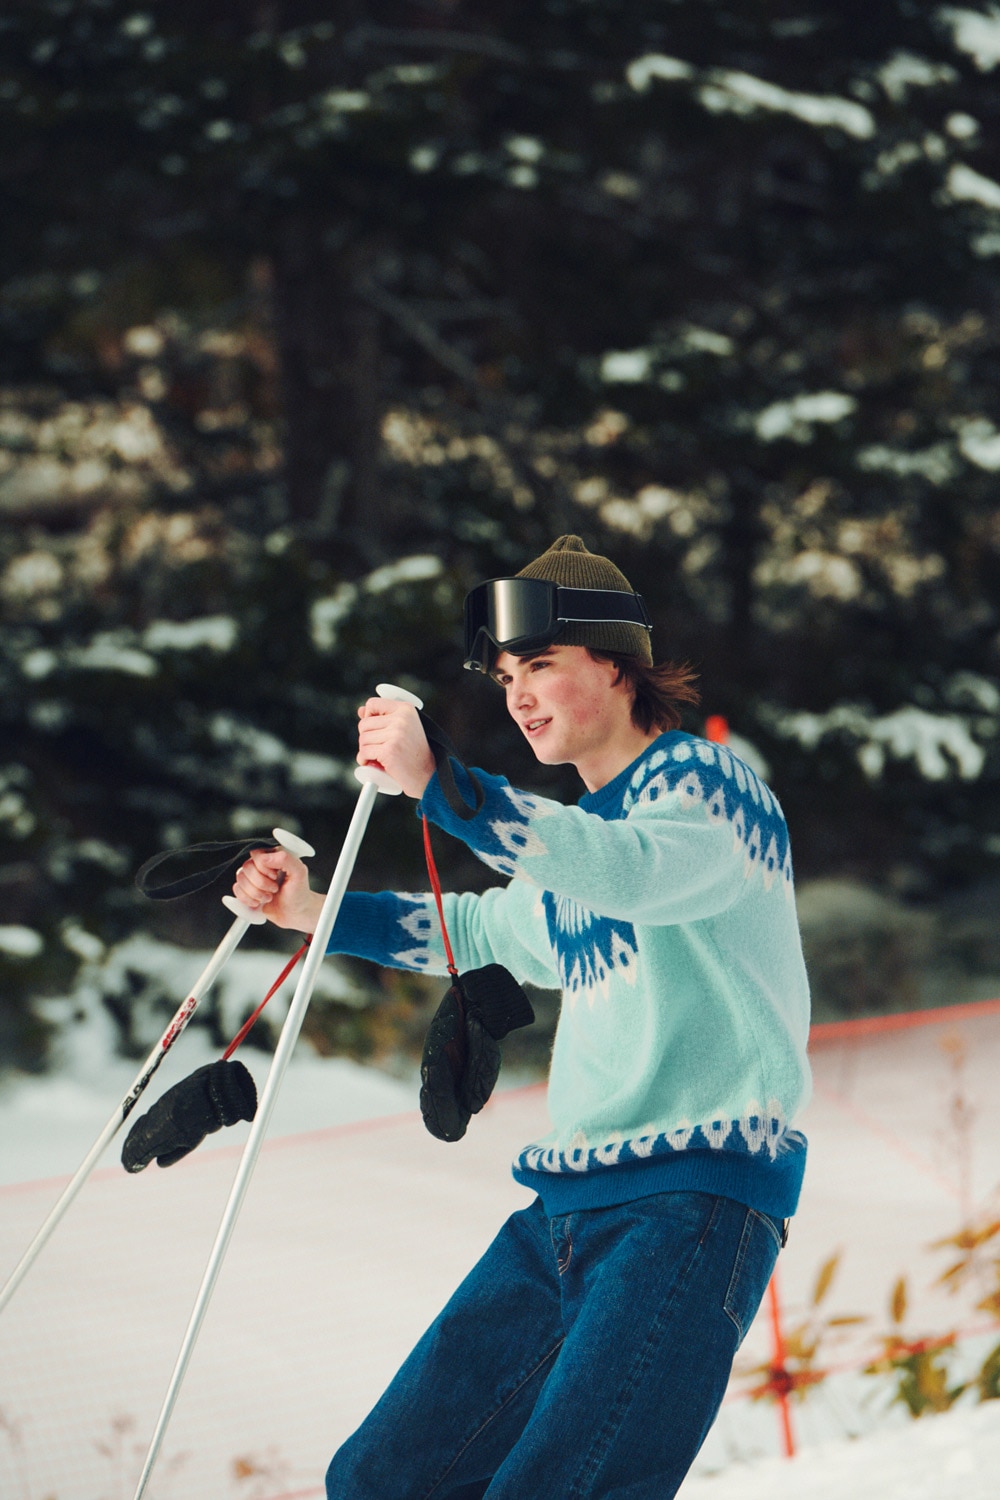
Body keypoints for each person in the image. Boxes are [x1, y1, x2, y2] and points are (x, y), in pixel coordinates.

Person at [233, 535, 812, 1500]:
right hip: (564, 1211)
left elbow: (634, 870)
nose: (520, 695)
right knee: (384, 1478)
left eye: (541, 664)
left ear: (619, 668)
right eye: (507, 675)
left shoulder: (707, 791)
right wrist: (310, 909)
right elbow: (477, 925)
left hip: (689, 1205)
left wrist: (444, 786)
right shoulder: (569, 850)